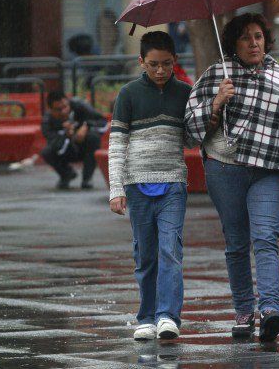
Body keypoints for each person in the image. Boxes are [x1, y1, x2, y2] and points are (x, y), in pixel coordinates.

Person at [184, 13, 279, 342]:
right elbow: (190, 124)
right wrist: (217, 102)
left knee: (265, 237)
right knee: (235, 242)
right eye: (246, 37)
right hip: (224, 167)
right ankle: (244, 311)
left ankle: (271, 309)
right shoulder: (217, 74)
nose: (254, 43)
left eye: (258, 36)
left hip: (267, 170)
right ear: (234, 43)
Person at [108, 31, 192, 341]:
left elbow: (192, 139)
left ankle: (168, 316)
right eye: (153, 64)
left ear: (175, 61)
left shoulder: (185, 93)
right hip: (136, 184)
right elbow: (117, 144)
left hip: (173, 183)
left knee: (170, 250)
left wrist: (213, 111)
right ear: (141, 61)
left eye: (166, 64)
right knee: (145, 253)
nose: (160, 71)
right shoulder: (128, 94)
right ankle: (146, 315)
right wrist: (116, 189)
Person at [40, 91, 107, 190]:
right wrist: (66, 135)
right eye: (58, 109)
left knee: (93, 138)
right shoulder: (47, 121)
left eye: (65, 107)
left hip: (84, 148)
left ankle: (87, 178)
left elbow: (102, 122)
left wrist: (86, 127)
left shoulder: (79, 106)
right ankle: (67, 174)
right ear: (50, 110)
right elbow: (55, 145)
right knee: (46, 152)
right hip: (66, 151)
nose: (63, 111)